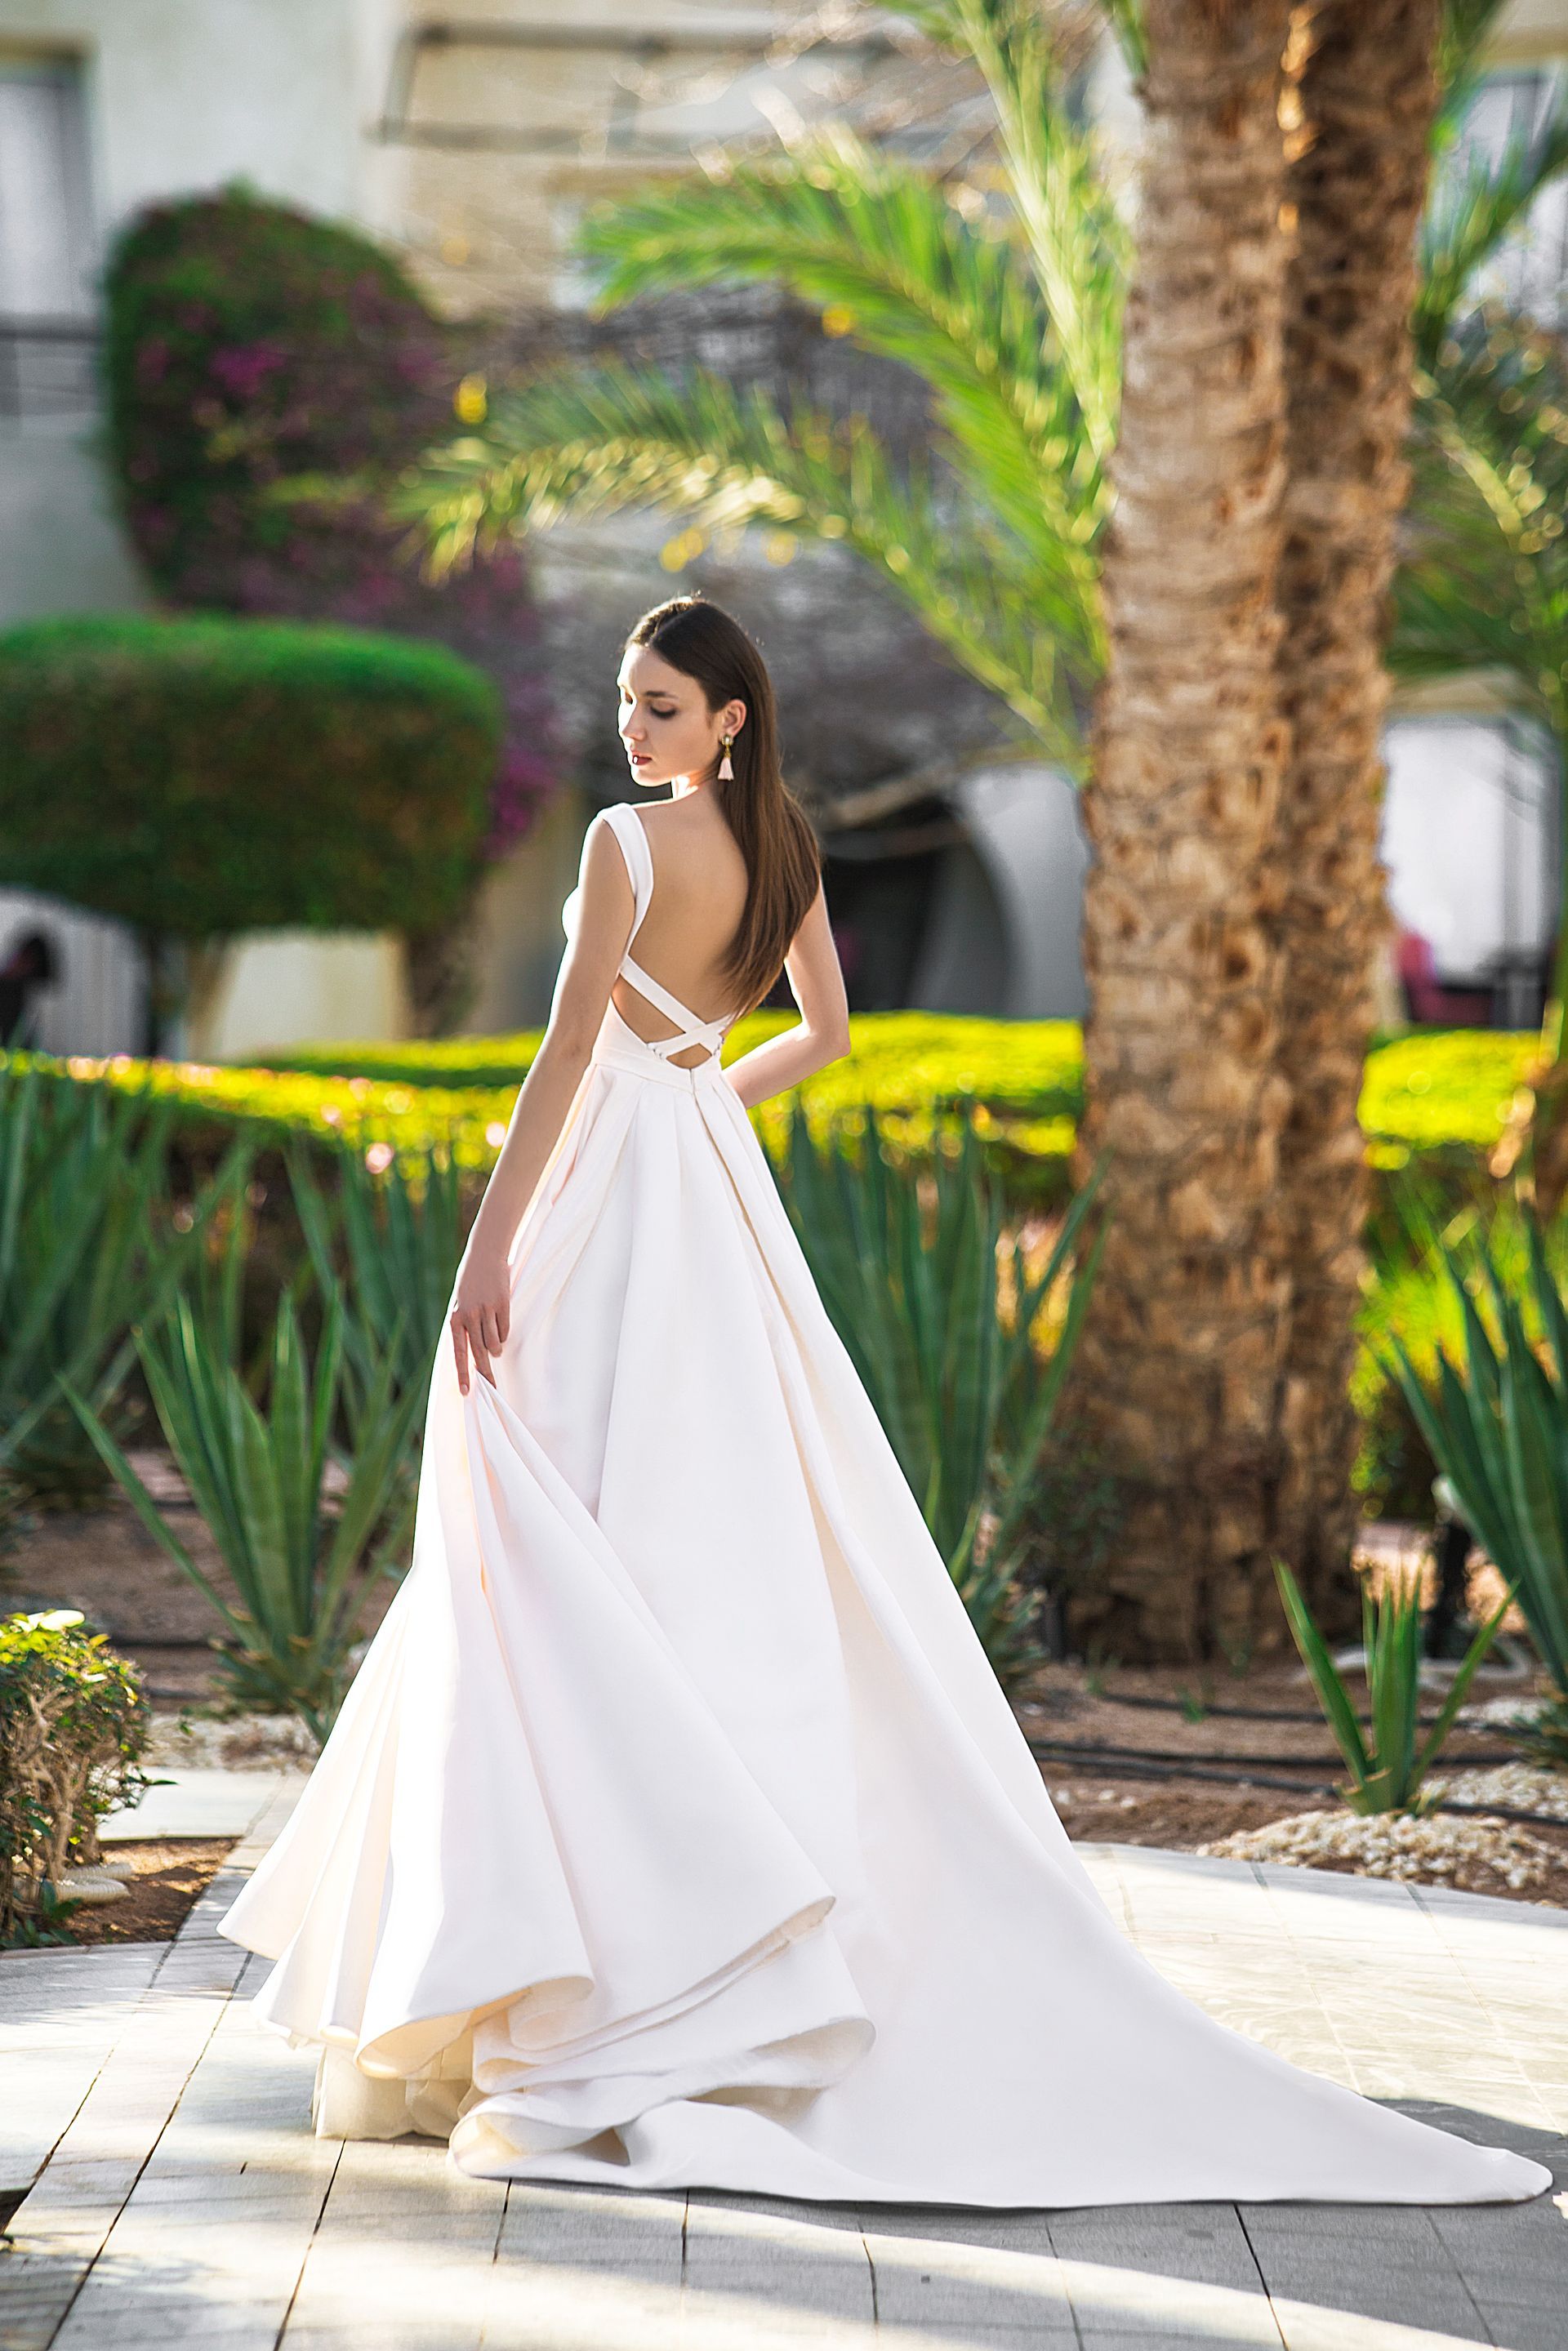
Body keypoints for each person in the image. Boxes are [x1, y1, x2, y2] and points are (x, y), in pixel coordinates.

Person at [218, 598, 1549, 2210]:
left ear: (727, 718)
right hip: (704, 1192)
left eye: (660, 706)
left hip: (607, 1201)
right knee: (681, 1510)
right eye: (627, 703)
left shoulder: (623, 848)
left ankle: (579, 1953)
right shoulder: (783, 849)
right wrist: (705, 1104)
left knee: (540, 1523)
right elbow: (827, 1036)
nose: (632, 729)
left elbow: (563, 1059)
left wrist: (491, 1249)